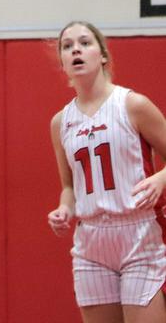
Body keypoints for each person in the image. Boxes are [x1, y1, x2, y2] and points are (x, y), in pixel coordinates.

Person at [47, 21, 166, 322]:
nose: (76, 49)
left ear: (102, 55)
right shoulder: (60, 122)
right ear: (62, 61)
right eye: (67, 45)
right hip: (90, 242)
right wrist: (63, 208)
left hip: (138, 234)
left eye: (85, 43)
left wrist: (161, 178)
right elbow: (69, 186)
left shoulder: (133, 104)